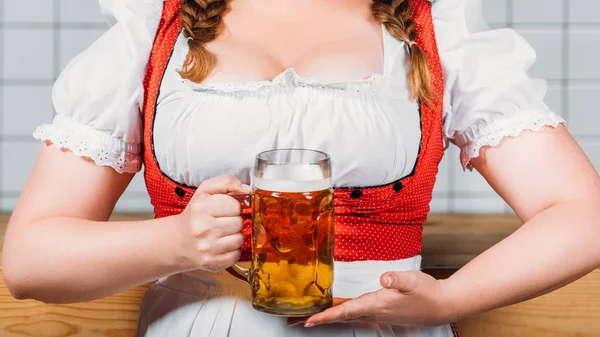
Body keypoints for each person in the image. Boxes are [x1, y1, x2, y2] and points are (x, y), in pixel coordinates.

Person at [3, 0, 600, 336]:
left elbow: (584, 214)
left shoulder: (433, 31)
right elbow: (31, 261)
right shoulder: (154, 31)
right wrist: (175, 241)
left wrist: (452, 299)